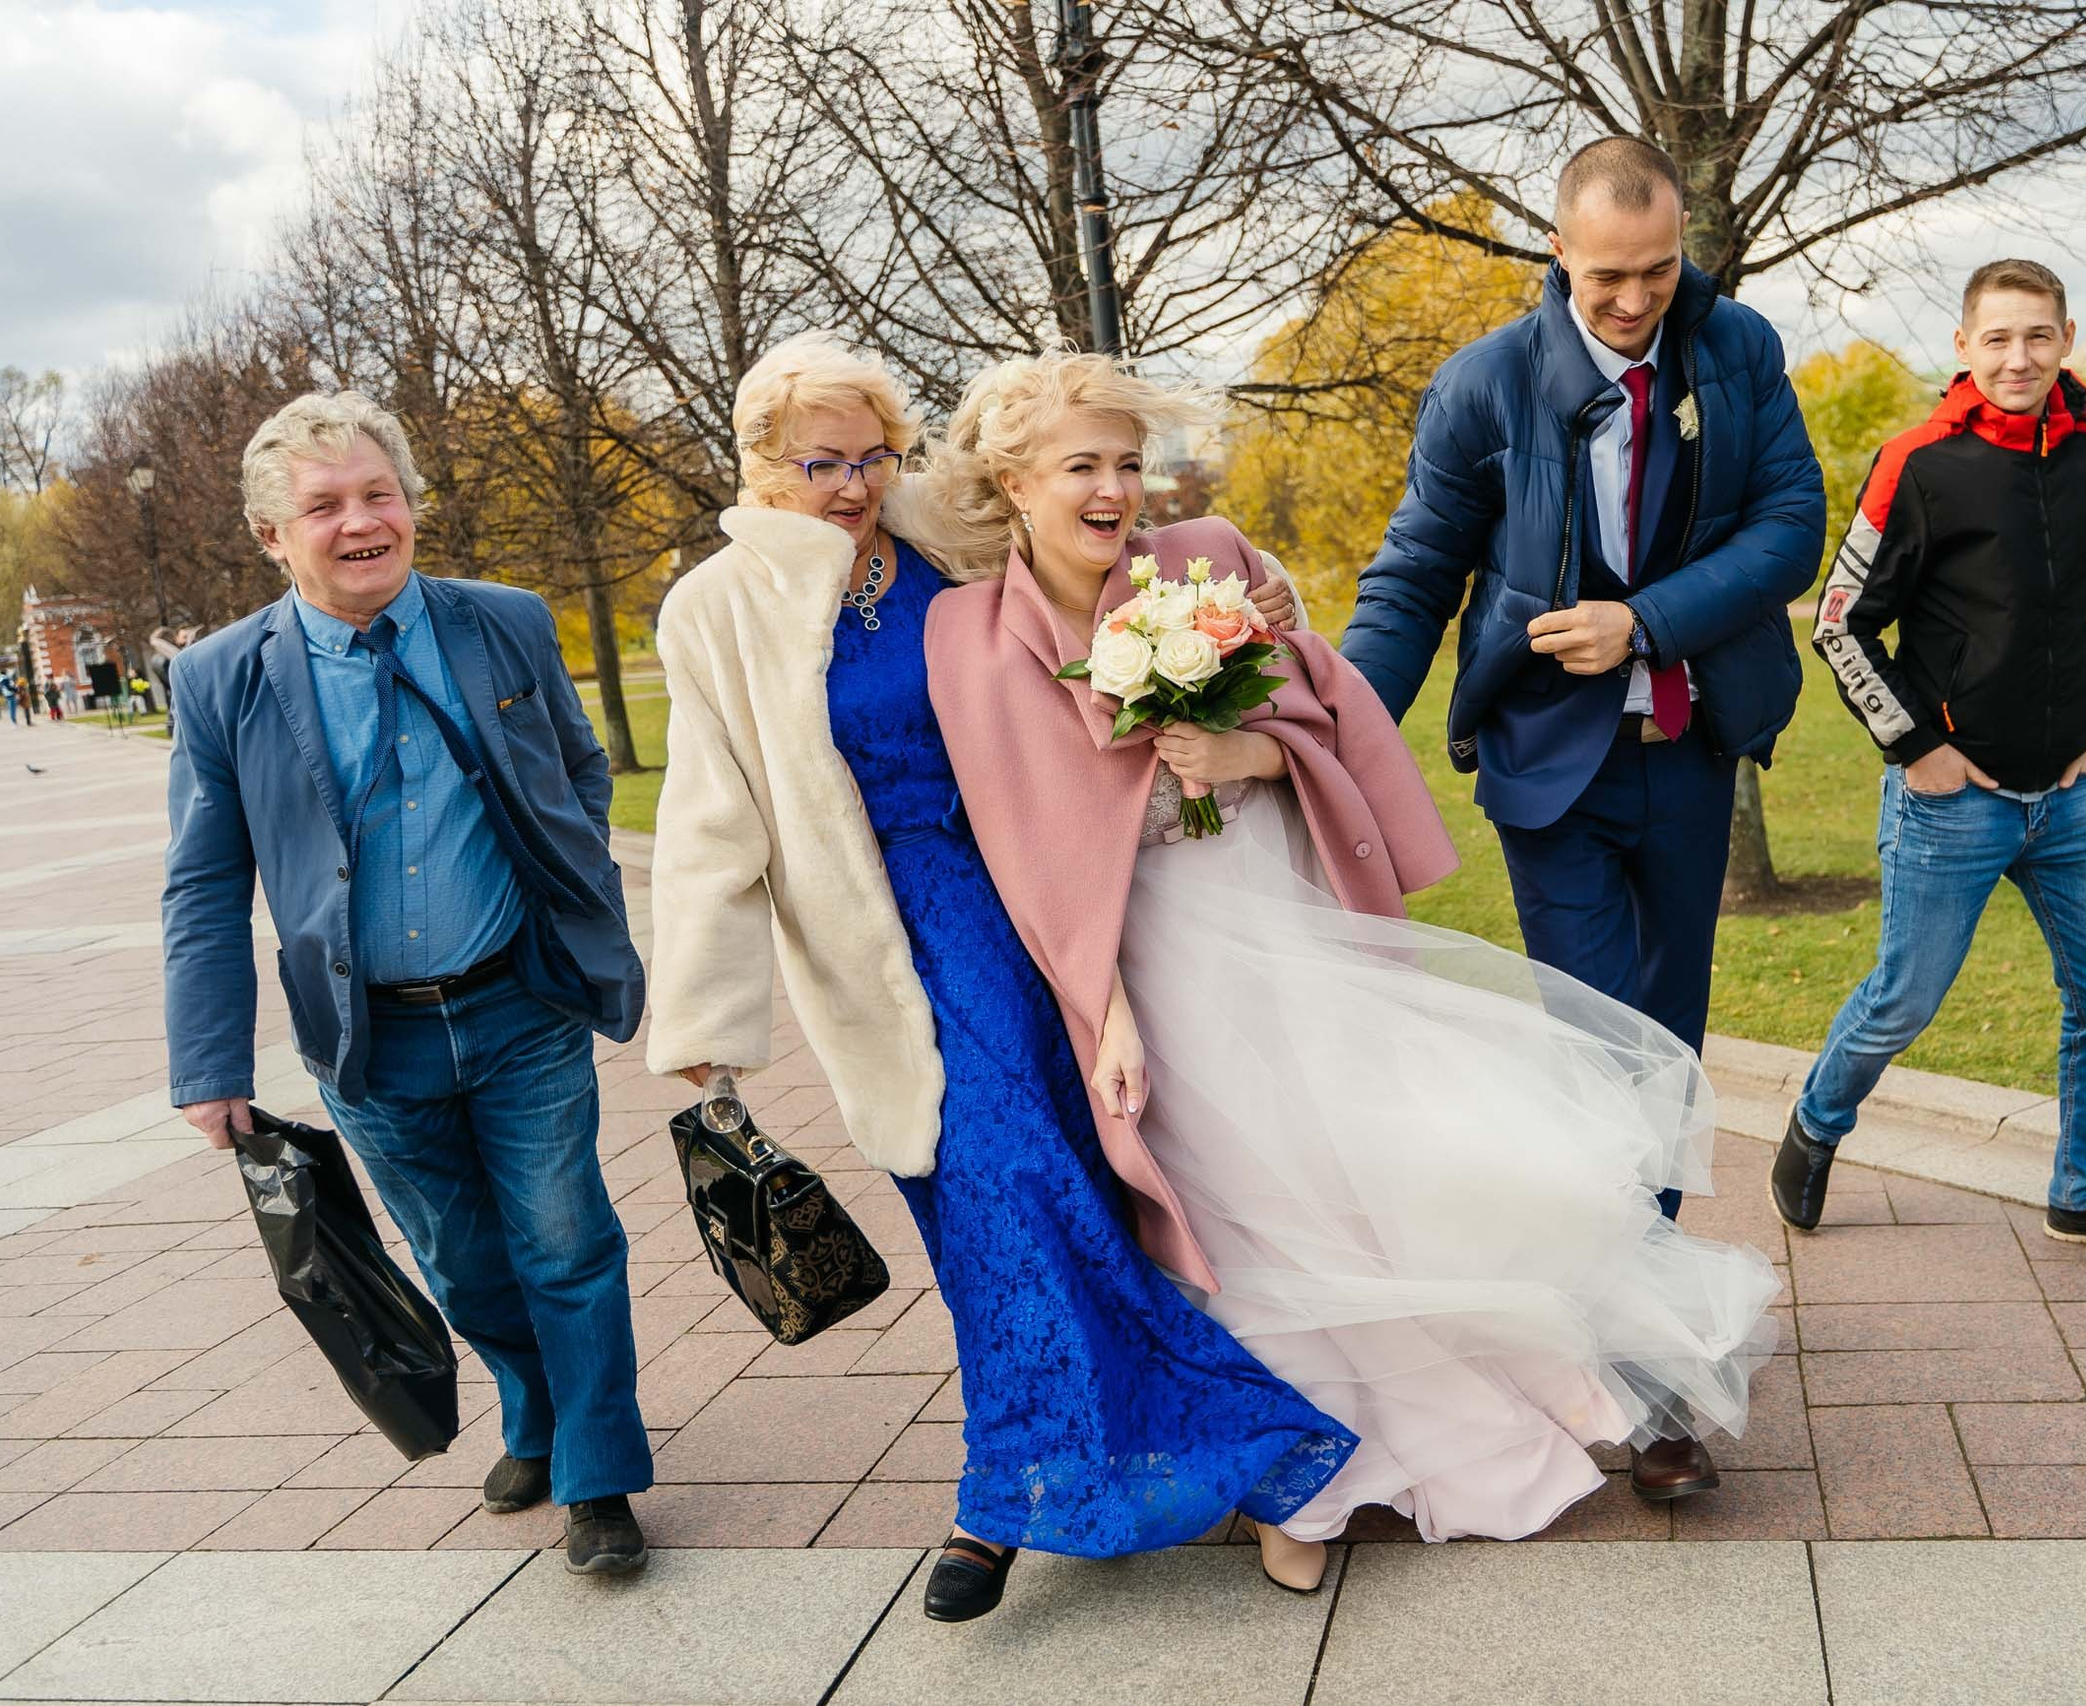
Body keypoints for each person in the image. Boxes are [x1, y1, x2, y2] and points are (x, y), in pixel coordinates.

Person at [915, 351, 1779, 1567]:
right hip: (1149, 951)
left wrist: (1247, 760)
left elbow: (1321, 710)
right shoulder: (967, 632)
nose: (1114, 490)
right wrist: (1102, 1008)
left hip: (1273, 907)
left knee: (1346, 1170)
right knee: (1236, 1206)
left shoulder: (1204, 559)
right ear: (1013, 481)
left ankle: (1449, 1417)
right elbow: (1020, 835)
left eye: (1125, 463)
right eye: (1081, 467)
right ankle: (1305, 1480)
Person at [645, 331, 1351, 1624]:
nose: (855, 484)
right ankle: (1095, 1472)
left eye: (874, 454)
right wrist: (705, 1021)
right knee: (992, 1198)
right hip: (883, 940)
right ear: (758, 464)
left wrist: (1253, 605)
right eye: (822, 463)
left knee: (1070, 1185)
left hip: (1042, 886)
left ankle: (1063, 1480)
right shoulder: (715, 610)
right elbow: (708, 824)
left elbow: (1108, 562)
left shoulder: (944, 539)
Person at [1337, 138, 1823, 1500]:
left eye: (1658, 269)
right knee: (1602, 1057)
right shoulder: (1484, 384)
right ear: (1557, 251)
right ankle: (1653, 1385)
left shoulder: (1737, 350)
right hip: (1549, 771)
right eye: (1607, 274)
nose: (1633, 299)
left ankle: (1628, 1313)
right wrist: (1327, 728)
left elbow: (1793, 524)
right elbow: (1416, 573)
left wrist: (1646, 621)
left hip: (1690, 751)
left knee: (1664, 1055)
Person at [161, 391, 657, 1573]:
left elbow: (580, 772)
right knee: (461, 1260)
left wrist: (567, 885)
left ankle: (598, 1478)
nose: (360, 522)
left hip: (519, 998)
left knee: (566, 1238)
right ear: (273, 536)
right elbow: (202, 885)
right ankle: (530, 1408)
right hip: (369, 1036)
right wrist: (209, 1065)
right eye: (322, 506)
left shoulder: (505, 623)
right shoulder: (223, 677)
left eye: (377, 493)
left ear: (412, 505)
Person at [1774, 258, 2086, 1268]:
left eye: (2037, 336)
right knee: (1903, 999)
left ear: (2066, 339)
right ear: (1963, 347)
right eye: (1997, 338)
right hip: (1950, 803)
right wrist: (1916, 747)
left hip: (2072, 798)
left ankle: (2084, 1194)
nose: (2019, 356)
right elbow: (1839, 621)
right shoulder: (1918, 462)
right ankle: (1816, 1123)